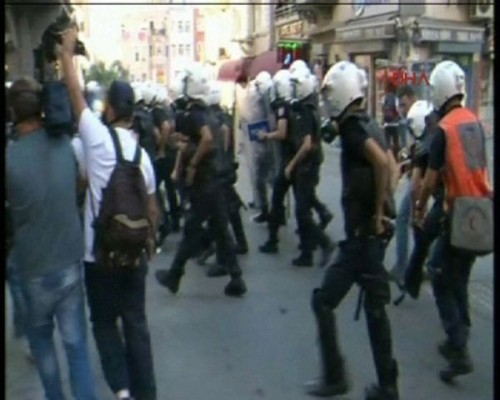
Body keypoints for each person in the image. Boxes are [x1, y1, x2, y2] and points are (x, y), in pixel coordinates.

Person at [59, 29, 158, 400]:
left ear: (111, 109)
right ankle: (147, 393)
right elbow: (151, 207)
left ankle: (121, 390)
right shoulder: (143, 157)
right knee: (136, 323)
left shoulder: (97, 140)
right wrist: (149, 242)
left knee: (103, 323)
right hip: (134, 254)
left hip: (97, 256)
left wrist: (68, 55)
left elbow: (74, 96)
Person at [306, 61, 399, 400]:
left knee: (323, 301)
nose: (327, 100)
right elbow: (392, 165)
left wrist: (376, 213)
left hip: (362, 238)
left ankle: (335, 376)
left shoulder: (353, 128)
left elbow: (378, 161)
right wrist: (387, 205)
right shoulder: (369, 122)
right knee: (376, 313)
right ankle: (388, 386)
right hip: (371, 238)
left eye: (330, 93)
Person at [6, 77, 98, 400]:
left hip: (32, 267)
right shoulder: (64, 146)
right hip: (69, 259)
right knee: (76, 348)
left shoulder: (10, 158)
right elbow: (79, 186)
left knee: (43, 346)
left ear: (13, 112)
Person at [414, 60, 493, 383]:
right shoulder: (473, 121)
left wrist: (419, 209)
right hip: (483, 211)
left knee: (438, 272)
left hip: (457, 213)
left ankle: (459, 347)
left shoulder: (443, 131)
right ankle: (459, 333)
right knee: (459, 276)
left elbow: (430, 181)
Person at [155, 63, 247, 297]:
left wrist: (193, 163)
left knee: (193, 228)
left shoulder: (194, 113)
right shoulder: (206, 112)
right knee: (220, 229)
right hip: (214, 179)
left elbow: (205, 139)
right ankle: (236, 278)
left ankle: (175, 274)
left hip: (203, 180)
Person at [282, 67, 335, 267]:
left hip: (306, 166)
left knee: (302, 212)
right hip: (307, 165)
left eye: (296, 86)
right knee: (304, 206)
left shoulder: (304, 111)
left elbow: (306, 144)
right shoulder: (307, 107)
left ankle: (323, 242)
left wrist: (291, 165)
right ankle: (306, 252)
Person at [389, 85, 418, 285]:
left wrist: (404, 167)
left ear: (412, 99)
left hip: (423, 178)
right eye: (399, 105)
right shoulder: (405, 123)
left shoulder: (421, 119)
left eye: (404, 104)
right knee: (418, 222)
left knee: (402, 219)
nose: (401, 109)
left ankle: (401, 266)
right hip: (415, 175)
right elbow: (410, 150)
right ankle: (422, 264)